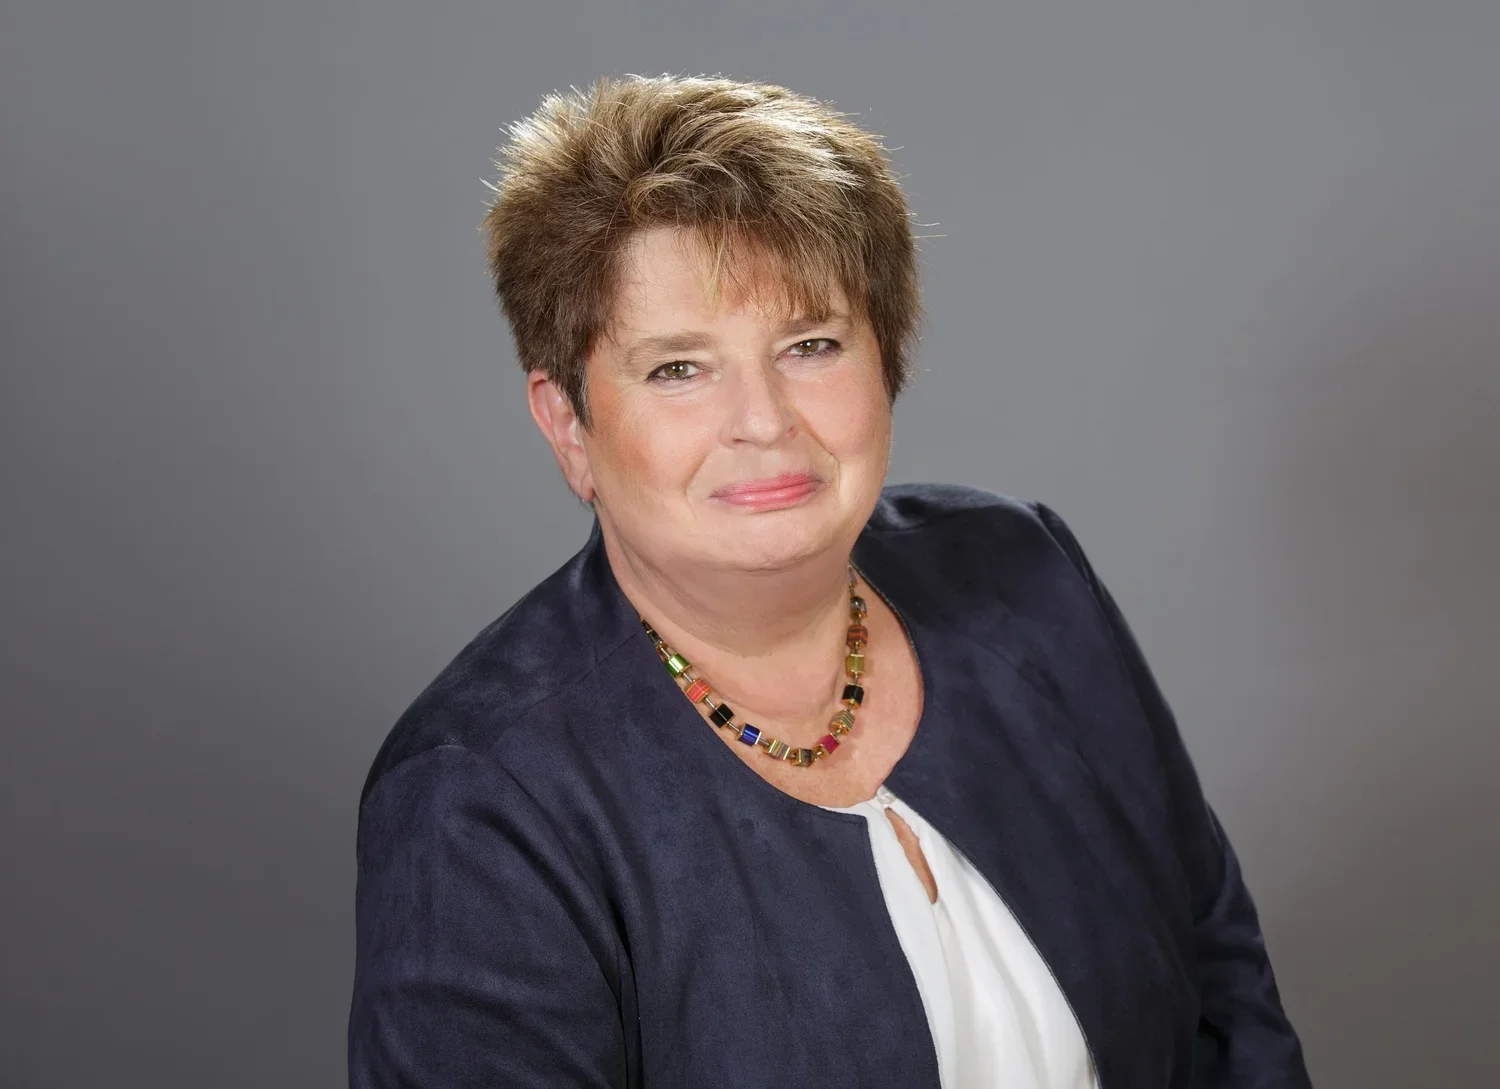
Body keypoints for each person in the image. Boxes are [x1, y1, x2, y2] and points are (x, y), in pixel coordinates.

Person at [348, 74, 1312, 1089]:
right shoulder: (479, 797)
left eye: (810, 346)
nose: (763, 421)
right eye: (678, 368)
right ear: (568, 423)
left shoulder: (1025, 576)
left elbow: (1222, 985)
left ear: (887, 360)